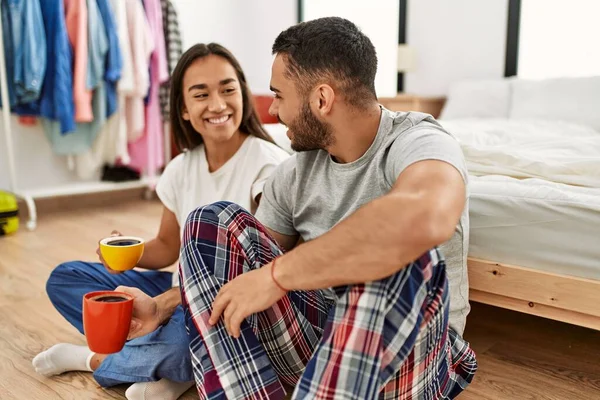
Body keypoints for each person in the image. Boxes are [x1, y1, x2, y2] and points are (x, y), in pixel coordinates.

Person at [121, 17, 477, 399]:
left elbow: (426, 216)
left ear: (321, 99)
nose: (272, 110)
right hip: (318, 343)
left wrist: (277, 276)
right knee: (210, 222)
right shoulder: (293, 173)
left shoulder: (419, 142)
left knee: (402, 251)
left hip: (418, 357)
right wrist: (163, 306)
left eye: (279, 95)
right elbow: (237, 274)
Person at [32, 43, 289, 400]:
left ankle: (93, 358)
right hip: (172, 290)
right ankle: (171, 366)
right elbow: (168, 245)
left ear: (243, 94)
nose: (217, 105)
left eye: (228, 90)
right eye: (201, 95)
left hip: (224, 302)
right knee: (66, 278)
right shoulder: (182, 167)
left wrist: (168, 304)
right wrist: (130, 252)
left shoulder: (268, 166)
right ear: (183, 109)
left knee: (186, 343)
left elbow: (257, 271)